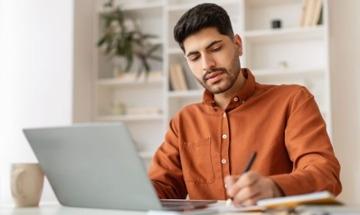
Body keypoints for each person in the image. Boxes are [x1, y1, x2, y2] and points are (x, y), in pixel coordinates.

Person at [148, 3, 341, 206]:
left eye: (215, 48)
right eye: (195, 57)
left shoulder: (293, 100)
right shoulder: (183, 122)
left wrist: (274, 188)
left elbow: (325, 175)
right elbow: (161, 187)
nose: (207, 64)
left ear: (238, 44)